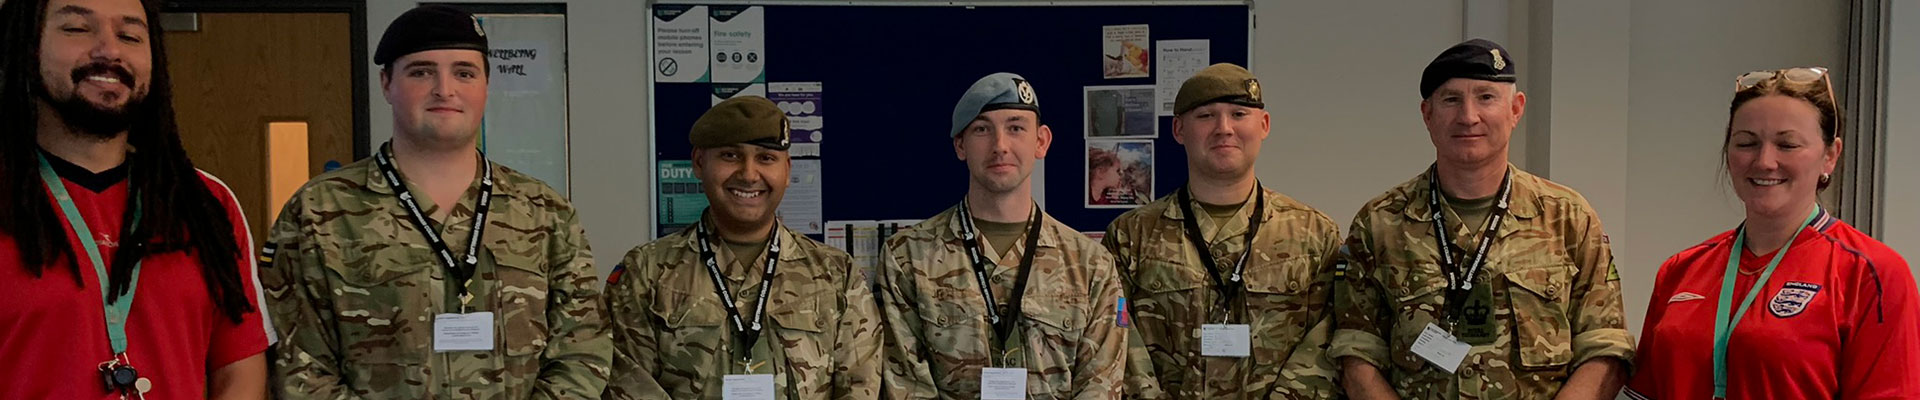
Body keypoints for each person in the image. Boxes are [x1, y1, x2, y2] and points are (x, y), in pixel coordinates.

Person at [259, 5, 610, 398]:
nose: (445, 89)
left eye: (464, 72)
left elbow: (582, 351)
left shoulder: (544, 212)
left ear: (486, 87)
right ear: (386, 84)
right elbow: (300, 366)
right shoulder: (318, 212)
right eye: (421, 72)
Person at [1332, 39, 1634, 399]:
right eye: (1451, 99)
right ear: (1427, 114)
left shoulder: (1567, 217)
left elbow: (1604, 346)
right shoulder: (1380, 224)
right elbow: (1356, 353)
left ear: (1516, 109)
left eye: (1486, 97)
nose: (1468, 116)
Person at [0, 0, 270, 398]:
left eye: (130, 36)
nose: (110, 50)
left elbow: (238, 371)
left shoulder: (205, 203)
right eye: (76, 29)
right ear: (25, 46)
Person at [1624, 66, 1920, 399]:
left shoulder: (1871, 274)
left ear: (1830, 156)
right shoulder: (1681, 270)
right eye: (1747, 143)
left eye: (1788, 145)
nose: (1765, 161)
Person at [603, 96, 882, 399]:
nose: (749, 174)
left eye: (766, 158)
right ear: (699, 163)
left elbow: (860, 385)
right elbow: (627, 385)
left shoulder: (836, 274)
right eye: (730, 156)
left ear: (786, 171)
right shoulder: (645, 272)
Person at [877, 72, 1126, 399]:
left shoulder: (1091, 265)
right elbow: (906, 386)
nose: (1000, 146)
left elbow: (1100, 386)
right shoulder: (907, 257)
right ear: (960, 145)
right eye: (982, 129)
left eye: (1015, 127)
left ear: (1041, 142)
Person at [1103, 63, 1341, 399]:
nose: (1224, 128)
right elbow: (1119, 339)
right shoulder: (1131, 237)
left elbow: (1327, 340)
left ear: (1264, 125)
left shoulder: (1314, 235)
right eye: (1206, 116)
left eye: (1239, 114)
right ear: (1179, 129)